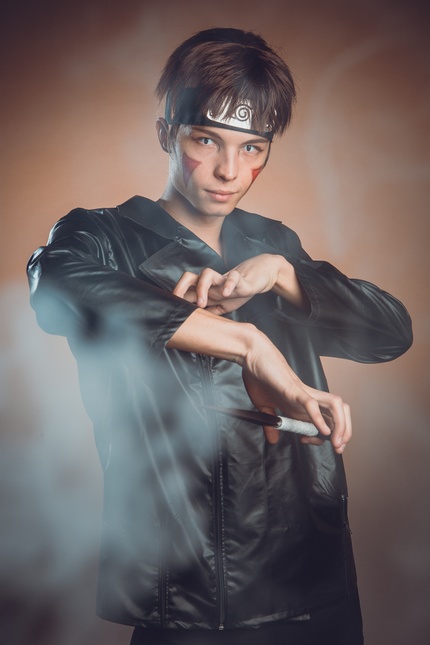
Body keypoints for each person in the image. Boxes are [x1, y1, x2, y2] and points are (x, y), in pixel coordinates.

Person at [27, 28, 412, 645]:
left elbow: (390, 333)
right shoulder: (103, 237)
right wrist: (249, 344)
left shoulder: (272, 242)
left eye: (252, 147)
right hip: (193, 591)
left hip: (315, 575)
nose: (230, 171)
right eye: (206, 140)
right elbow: (55, 283)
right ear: (167, 134)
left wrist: (284, 275)